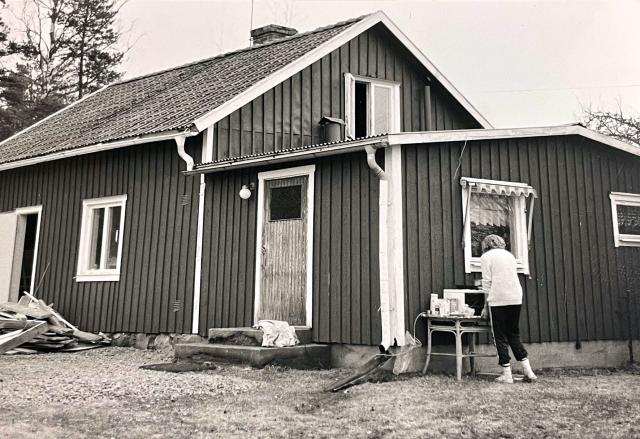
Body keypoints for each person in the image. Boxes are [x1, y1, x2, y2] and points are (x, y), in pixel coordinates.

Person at [480, 234, 537, 384]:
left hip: (498, 298)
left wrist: (485, 306)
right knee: (513, 333)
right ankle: (528, 371)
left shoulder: (486, 257)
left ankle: (507, 373)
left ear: (486, 245)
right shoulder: (510, 255)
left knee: (499, 335)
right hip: (515, 296)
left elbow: (486, 282)